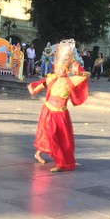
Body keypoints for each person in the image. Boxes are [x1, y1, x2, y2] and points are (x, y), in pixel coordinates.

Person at [28, 39, 89, 172]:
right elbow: (41, 85)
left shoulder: (71, 80)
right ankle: (40, 152)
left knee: (60, 139)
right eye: (57, 68)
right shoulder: (51, 78)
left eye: (61, 68)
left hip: (61, 113)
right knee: (47, 133)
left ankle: (61, 162)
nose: (58, 70)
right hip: (48, 110)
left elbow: (87, 75)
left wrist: (77, 70)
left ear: (66, 69)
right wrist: (34, 90)